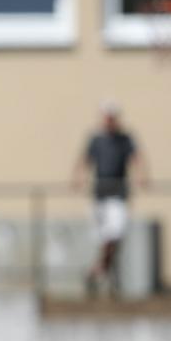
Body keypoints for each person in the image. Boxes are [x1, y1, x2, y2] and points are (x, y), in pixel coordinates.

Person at [72, 102, 149, 296]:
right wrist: (78, 178)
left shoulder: (125, 139)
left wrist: (142, 176)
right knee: (104, 238)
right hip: (100, 196)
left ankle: (97, 271)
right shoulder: (96, 140)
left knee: (114, 235)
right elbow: (84, 160)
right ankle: (104, 274)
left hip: (118, 195)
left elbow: (137, 158)